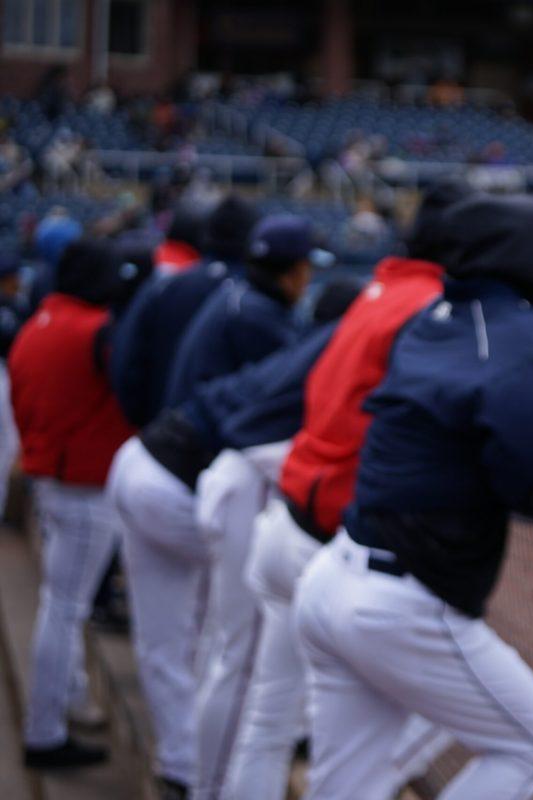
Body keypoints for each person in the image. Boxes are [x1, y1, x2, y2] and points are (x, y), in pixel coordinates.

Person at [293, 193, 533, 800]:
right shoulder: (525, 337)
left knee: (344, 787)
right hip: (399, 602)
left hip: (332, 577)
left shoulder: (433, 318)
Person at [225, 182, 464, 800]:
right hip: (327, 543)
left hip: (285, 524)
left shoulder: (379, 288)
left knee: (268, 719)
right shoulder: (430, 303)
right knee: (461, 711)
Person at [108, 214, 326, 800]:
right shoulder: (271, 323)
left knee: (188, 641)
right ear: (294, 272)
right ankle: (206, 775)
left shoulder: (235, 294)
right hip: (183, 478)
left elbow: (126, 357)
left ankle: (182, 766)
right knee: (238, 644)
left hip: (142, 456)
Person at [187, 277, 360, 800]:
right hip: (246, 480)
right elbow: (247, 429)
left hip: (239, 481)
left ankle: (205, 783)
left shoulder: (319, 346)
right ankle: (203, 788)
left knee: (235, 659)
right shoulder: (335, 351)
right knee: (238, 660)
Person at [9, 239, 136, 769]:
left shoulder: (40, 320)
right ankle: (44, 733)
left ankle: (70, 701)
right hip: (83, 486)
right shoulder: (91, 329)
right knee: (63, 610)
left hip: (53, 477)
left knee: (60, 605)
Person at [109, 195, 259, 428]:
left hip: (162, 434)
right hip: (224, 444)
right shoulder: (251, 298)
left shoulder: (164, 286)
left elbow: (125, 363)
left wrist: (147, 423)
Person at [0, 252, 29, 518]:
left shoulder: (18, 305)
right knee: (6, 445)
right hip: (7, 375)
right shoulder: (16, 307)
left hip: (8, 374)